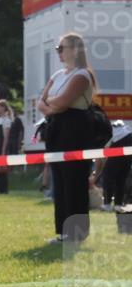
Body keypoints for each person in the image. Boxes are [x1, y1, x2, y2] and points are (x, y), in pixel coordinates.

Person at [38, 32, 97, 244]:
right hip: (57, 129)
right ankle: (63, 232)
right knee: (60, 181)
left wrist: (52, 104)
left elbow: (62, 102)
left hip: (75, 130)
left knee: (74, 181)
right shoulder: (58, 74)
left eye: (61, 48)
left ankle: (77, 233)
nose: (58, 53)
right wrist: (53, 106)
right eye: (57, 49)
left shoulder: (82, 75)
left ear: (74, 50)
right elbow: (41, 102)